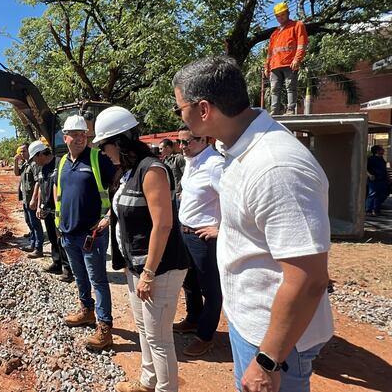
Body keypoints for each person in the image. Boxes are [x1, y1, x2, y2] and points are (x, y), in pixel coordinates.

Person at [173, 56, 332, 392]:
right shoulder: (235, 150)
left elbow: (309, 279)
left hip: (274, 343)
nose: (179, 119)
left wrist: (268, 360)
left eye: (179, 109)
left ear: (203, 109)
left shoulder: (276, 166)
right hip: (252, 326)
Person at [93, 106, 189, 392]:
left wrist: (148, 273)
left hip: (160, 267)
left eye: (104, 145)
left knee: (159, 337)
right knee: (145, 329)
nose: (103, 151)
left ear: (120, 142)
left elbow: (162, 225)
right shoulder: (129, 171)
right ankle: (148, 382)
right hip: (136, 264)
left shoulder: (153, 170)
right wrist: (108, 218)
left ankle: (165, 388)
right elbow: (128, 207)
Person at [55, 114, 117, 351]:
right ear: (65, 137)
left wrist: (108, 218)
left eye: (84, 134)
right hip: (69, 234)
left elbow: (121, 187)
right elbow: (58, 192)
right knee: (80, 278)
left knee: (98, 280)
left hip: (92, 236)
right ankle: (86, 310)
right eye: (75, 134)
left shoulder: (98, 158)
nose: (81, 138)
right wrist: (59, 224)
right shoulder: (62, 162)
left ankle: (105, 326)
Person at [172, 126, 224, 357]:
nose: (182, 147)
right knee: (189, 282)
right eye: (180, 142)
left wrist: (221, 229)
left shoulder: (215, 165)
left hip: (203, 238)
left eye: (187, 142)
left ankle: (205, 336)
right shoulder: (192, 160)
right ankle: (193, 319)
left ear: (204, 138)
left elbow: (236, 201)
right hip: (186, 233)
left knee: (210, 289)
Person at [28, 139, 73, 282]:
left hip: (59, 209)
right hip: (47, 209)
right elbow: (41, 186)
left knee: (62, 239)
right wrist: (40, 204)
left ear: (41, 154)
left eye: (35, 158)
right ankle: (57, 263)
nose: (35, 162)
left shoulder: (60, 163)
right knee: (53, 239)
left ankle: (68, 269)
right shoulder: (42, 168)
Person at [265, 2, 308, 116]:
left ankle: (290, 110)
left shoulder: (297, 25)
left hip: (289, 63)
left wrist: (297, 59)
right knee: (274, 88)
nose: (280, 17)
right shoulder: (275, 33)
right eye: (278, 16)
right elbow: (270, 52)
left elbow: (302, 44)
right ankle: (274, 111)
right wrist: (267, 66)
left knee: (290, 87)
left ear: (288, 13)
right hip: (275, 65)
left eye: (282, 14)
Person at [15, 143, 44, 253]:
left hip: (31, 199)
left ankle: (38, 248)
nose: (22, 154)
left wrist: (34, 199)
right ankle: (33, 243)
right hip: (25, 198)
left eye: (24, 151)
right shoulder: (24, 164)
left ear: (29, 151)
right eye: (20, 152)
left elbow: (38, 182)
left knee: (35, 223)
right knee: (29, 222)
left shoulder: (33, 164)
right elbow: (17, 173)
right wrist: (15, 161)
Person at [366, 145, 389, 216]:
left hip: (382, 180)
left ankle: (376, 210)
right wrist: (369, 175)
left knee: (380, 195)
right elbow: (365, 168)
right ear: (377, 151)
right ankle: (368, 211)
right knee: (372, 195)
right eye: (381, 149)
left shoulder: (382, 159)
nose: (383, 150)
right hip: (374, 180)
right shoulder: (371, 159)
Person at [164, 140, 185, 204]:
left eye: (161, 148)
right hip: (169, 193)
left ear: (168, 148)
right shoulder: (165, 160)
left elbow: (185, 174)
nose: (160, 151)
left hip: (178, 194)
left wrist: (181, 191)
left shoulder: (179, 158)